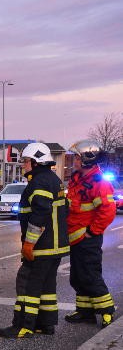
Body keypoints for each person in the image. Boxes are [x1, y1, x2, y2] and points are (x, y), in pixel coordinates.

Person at [0, 143, 69, 338]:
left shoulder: (39, 182)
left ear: (36, 162)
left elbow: (40, 213)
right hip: (54, 247)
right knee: (46, 286)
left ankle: (23, 325)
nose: (23, 165)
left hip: (41, 246)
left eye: (26, 161)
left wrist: (29, 243)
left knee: (27, 283)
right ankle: (46, 324)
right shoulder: (54, 180)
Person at [64, 140, 117, 327]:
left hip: (87, 238)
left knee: (90, 275)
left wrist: (92, 232)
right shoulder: (77, 179)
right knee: (78, 276)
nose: (74, 161)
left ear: (87, 159)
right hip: (76, 237)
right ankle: (85, 312)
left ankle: (107, 311)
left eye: (77, 157)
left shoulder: (98, 183)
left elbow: (108, 210)